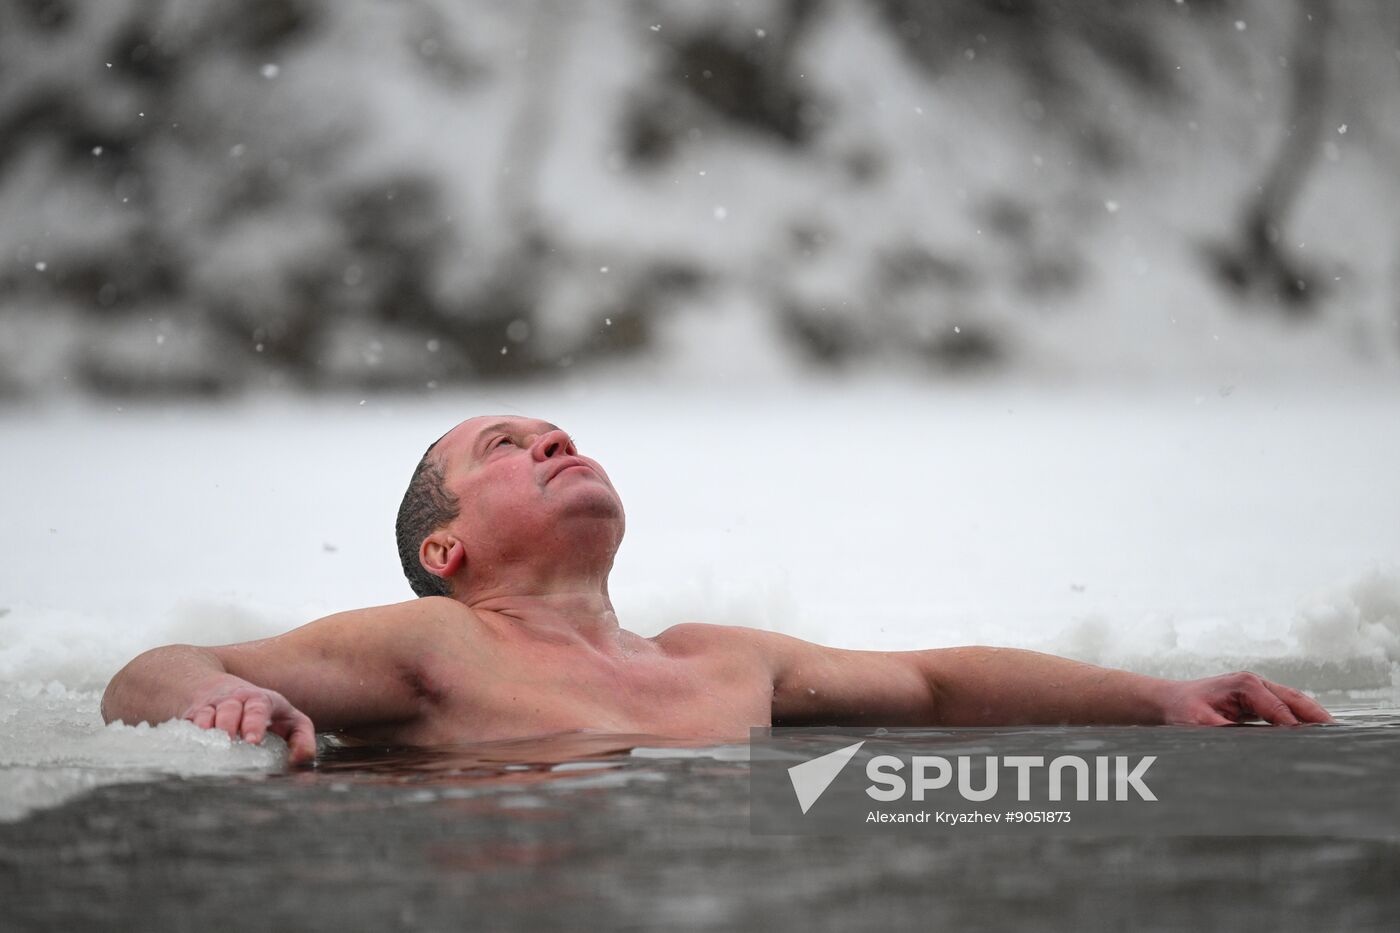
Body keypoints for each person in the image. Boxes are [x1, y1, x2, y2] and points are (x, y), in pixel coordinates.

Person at [101, 415, 1334, 765]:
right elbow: (156, 669)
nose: (549, 445)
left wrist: (1156, 699)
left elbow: (933, 683)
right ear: (447, 549)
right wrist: (226, 706)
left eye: (558, 434)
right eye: (504, 450)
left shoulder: (712, 658)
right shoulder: (440, 645)